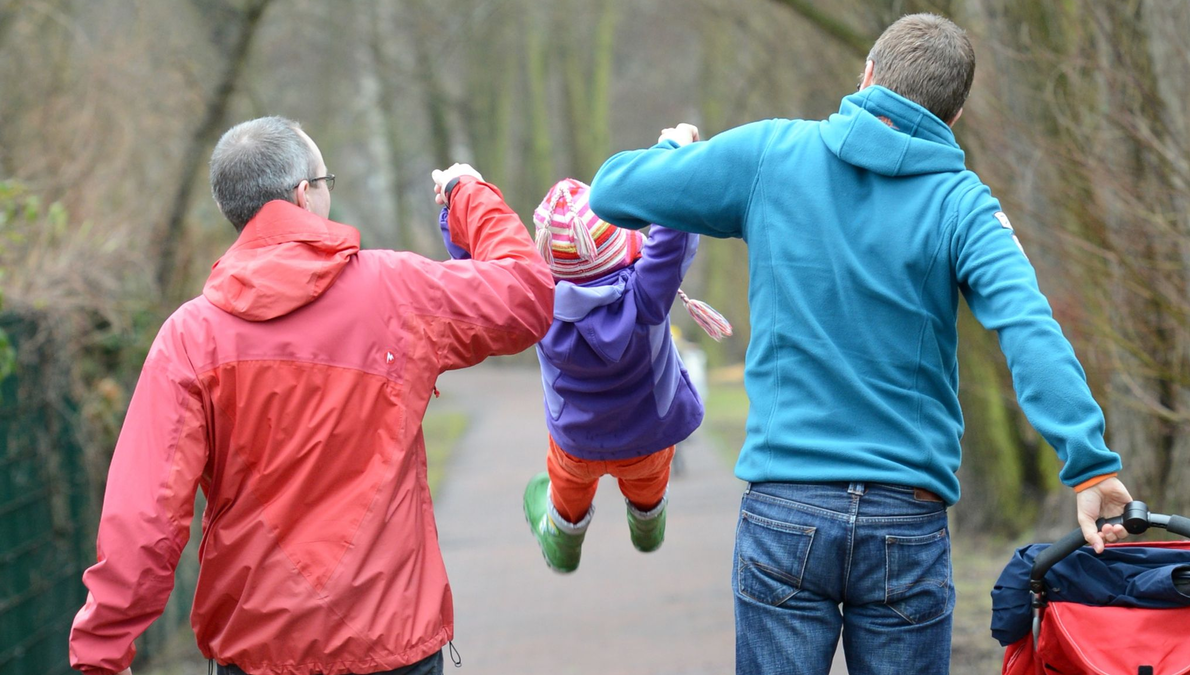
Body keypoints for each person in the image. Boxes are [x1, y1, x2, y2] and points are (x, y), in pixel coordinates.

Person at [588, 14, 1133, 675]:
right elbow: (1028, 325)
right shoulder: (962, 205)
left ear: (868, 74)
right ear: (953, 116)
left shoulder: (767, 155)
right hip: (906, 519)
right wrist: (1090, 464)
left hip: (786, 507)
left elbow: (613, 190)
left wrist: (678, 152)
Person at [67, 116, 554, 675]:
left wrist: (104, 649)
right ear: (304, 194)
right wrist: (470, 196)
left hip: (257, 646)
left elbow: (145, 512)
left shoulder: (190, 336)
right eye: (327, 182)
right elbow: (528, 295)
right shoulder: (394, 290)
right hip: (388, 638)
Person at [439, 177, 728, 573]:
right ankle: (647, 524)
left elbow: (479, 270)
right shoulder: (647, 294)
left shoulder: (537, 305)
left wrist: (456, 202)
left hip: (576, 445)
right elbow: (673, 235)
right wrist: (675, 150)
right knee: (649, 479)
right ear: (619, 244)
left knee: (567, 489)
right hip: (650, 438)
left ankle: (564, 541)